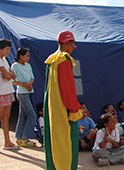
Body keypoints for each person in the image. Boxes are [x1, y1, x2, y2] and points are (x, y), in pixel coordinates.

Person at [43, 30, 83, 170]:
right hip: (63, 110)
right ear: (68, 43)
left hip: (53, 108)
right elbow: (67, 89)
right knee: (67, 144)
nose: (73, 48)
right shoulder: (64, 60)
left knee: (54, 141)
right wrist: (74, 109)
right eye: (72, 45)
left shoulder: (51, 59)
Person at [0, 38, 18, 153]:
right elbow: (7, 76)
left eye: (9, 49)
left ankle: (7, 142)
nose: (8, 51)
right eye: (6, 49)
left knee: (6, 116)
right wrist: (9, 74)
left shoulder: (4, 60)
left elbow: (12, 75)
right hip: (0, 92)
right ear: (0, 49)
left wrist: (9, 74)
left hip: (8, 90)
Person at [11, 47, 37, 147]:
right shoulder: (15, 66)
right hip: (21, 93)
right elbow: (13, 81)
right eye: (26, 56)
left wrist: (29, 84)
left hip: (29, 91)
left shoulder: (28, 65)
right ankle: (26, 137)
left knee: (23, 116)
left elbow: (32, 78)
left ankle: (19, 137)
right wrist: (24, 84)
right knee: (32, 115)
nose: (28, 58)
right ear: (20, 56)